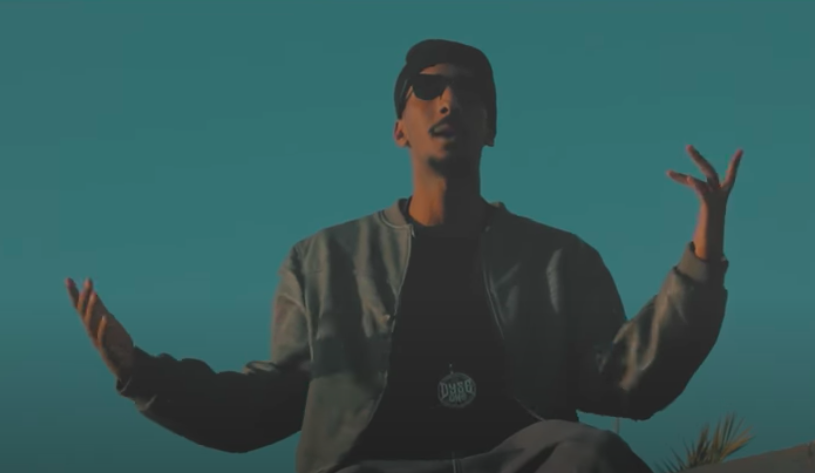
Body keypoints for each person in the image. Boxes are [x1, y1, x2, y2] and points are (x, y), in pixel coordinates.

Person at [67, 39, 743, 473]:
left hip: (519, 460)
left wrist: (703, 256)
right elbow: (267, 403)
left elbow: (628, 381)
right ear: (399, 129)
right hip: (372, 466)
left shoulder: (558, 260)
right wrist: (141, 373)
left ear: (491, 127)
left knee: (589, 453)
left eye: (470, 92)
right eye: (429, 87)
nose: (450, 99)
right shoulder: (322, 261)